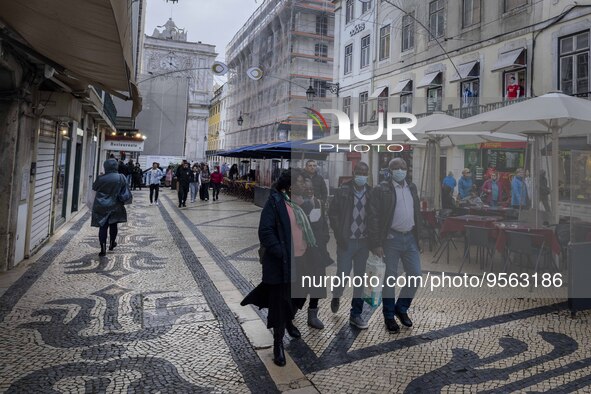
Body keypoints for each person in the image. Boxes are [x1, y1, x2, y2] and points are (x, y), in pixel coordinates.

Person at [241, 169, 315, 367]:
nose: (302, 185)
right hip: (282, 261)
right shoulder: (274, 201)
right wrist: (281, 251)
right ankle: (278, 344)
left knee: (300, 294)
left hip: (301, 258)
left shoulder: (296, 202)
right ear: (289, 184)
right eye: (299, 182)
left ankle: (289, 319)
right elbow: (265, 231)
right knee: (280, 302)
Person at [367, 158, 422, 333]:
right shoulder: (381, 189)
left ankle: (401, 308)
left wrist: (420, 237)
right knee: (389, 280)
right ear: (390, 170)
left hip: (410, 238)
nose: (400, 170)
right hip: (391, 239)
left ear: (407, 169)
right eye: (396, 167)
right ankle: (389, 316)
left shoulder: (411, 187)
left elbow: (417, 212)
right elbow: (373, 217)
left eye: (403, 167)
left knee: (415, 275)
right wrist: (376, 243)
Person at [328, 162, 372, 329]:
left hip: (363, 242)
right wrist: (340, 235)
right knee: (343, 273)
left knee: (360, 279)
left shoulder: (371, 192)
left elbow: (375, 216)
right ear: (354, 173)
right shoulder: (343, 191)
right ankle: (337, 294)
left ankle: (356, 314)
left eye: (365, 172)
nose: (362, 174)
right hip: (346, 241)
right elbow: (332, 213)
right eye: (359, 171)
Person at [91, 159, 128, 256]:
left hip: (101, 204)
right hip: (116, 204)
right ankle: (112, 243)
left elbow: (94, 187)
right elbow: (125, 190)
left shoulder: (101, 178)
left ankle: (103, 247)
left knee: (103, 226)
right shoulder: (121, 177)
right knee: (113, 225)